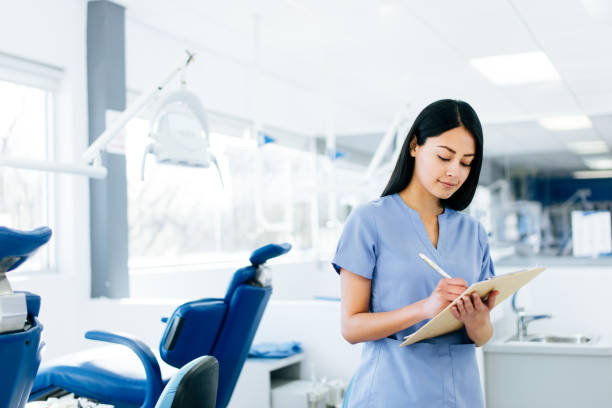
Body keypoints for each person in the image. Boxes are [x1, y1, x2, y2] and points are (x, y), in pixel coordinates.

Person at [333, 99, 499, 408]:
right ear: (414, 146)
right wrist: (425, 308)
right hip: (390, 394)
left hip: (460, 396)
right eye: (444, 157)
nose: (455, 171)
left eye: (466, 162)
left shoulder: (473, 232)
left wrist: (477, 321)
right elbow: (351, 328)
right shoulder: (369, 221)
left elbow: (483, 335)